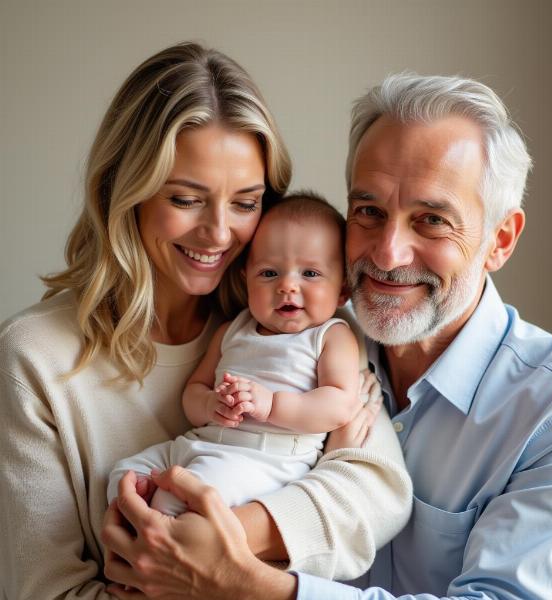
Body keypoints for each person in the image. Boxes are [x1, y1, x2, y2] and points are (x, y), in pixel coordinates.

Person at [102, 73, 552, 599]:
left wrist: (251, 584)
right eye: (369, 212)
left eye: (431, 220)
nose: (387, 254)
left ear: (500, 240)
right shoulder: (301, 334)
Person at [0, 43, 412, 600]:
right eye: (187, 199)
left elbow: (377, 491)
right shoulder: (36, 360)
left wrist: (219, 549)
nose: (219, 234)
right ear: (125, 193)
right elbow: (47, 590)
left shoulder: (291, 326)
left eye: (245, 203)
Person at [107, 193, 408, 523]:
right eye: (268, 274)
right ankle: (140, 537)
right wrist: (209, 405)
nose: (287, 286)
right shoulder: (234, 330)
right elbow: (194, 389)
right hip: (200, 442)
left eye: (310, 274)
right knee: (123, 477)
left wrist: (271, 405)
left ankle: (150, 559)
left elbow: (339, 404)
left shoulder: (331, 336)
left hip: (264, 461)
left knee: (173, 500)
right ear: (245, 279)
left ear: (342, 290)